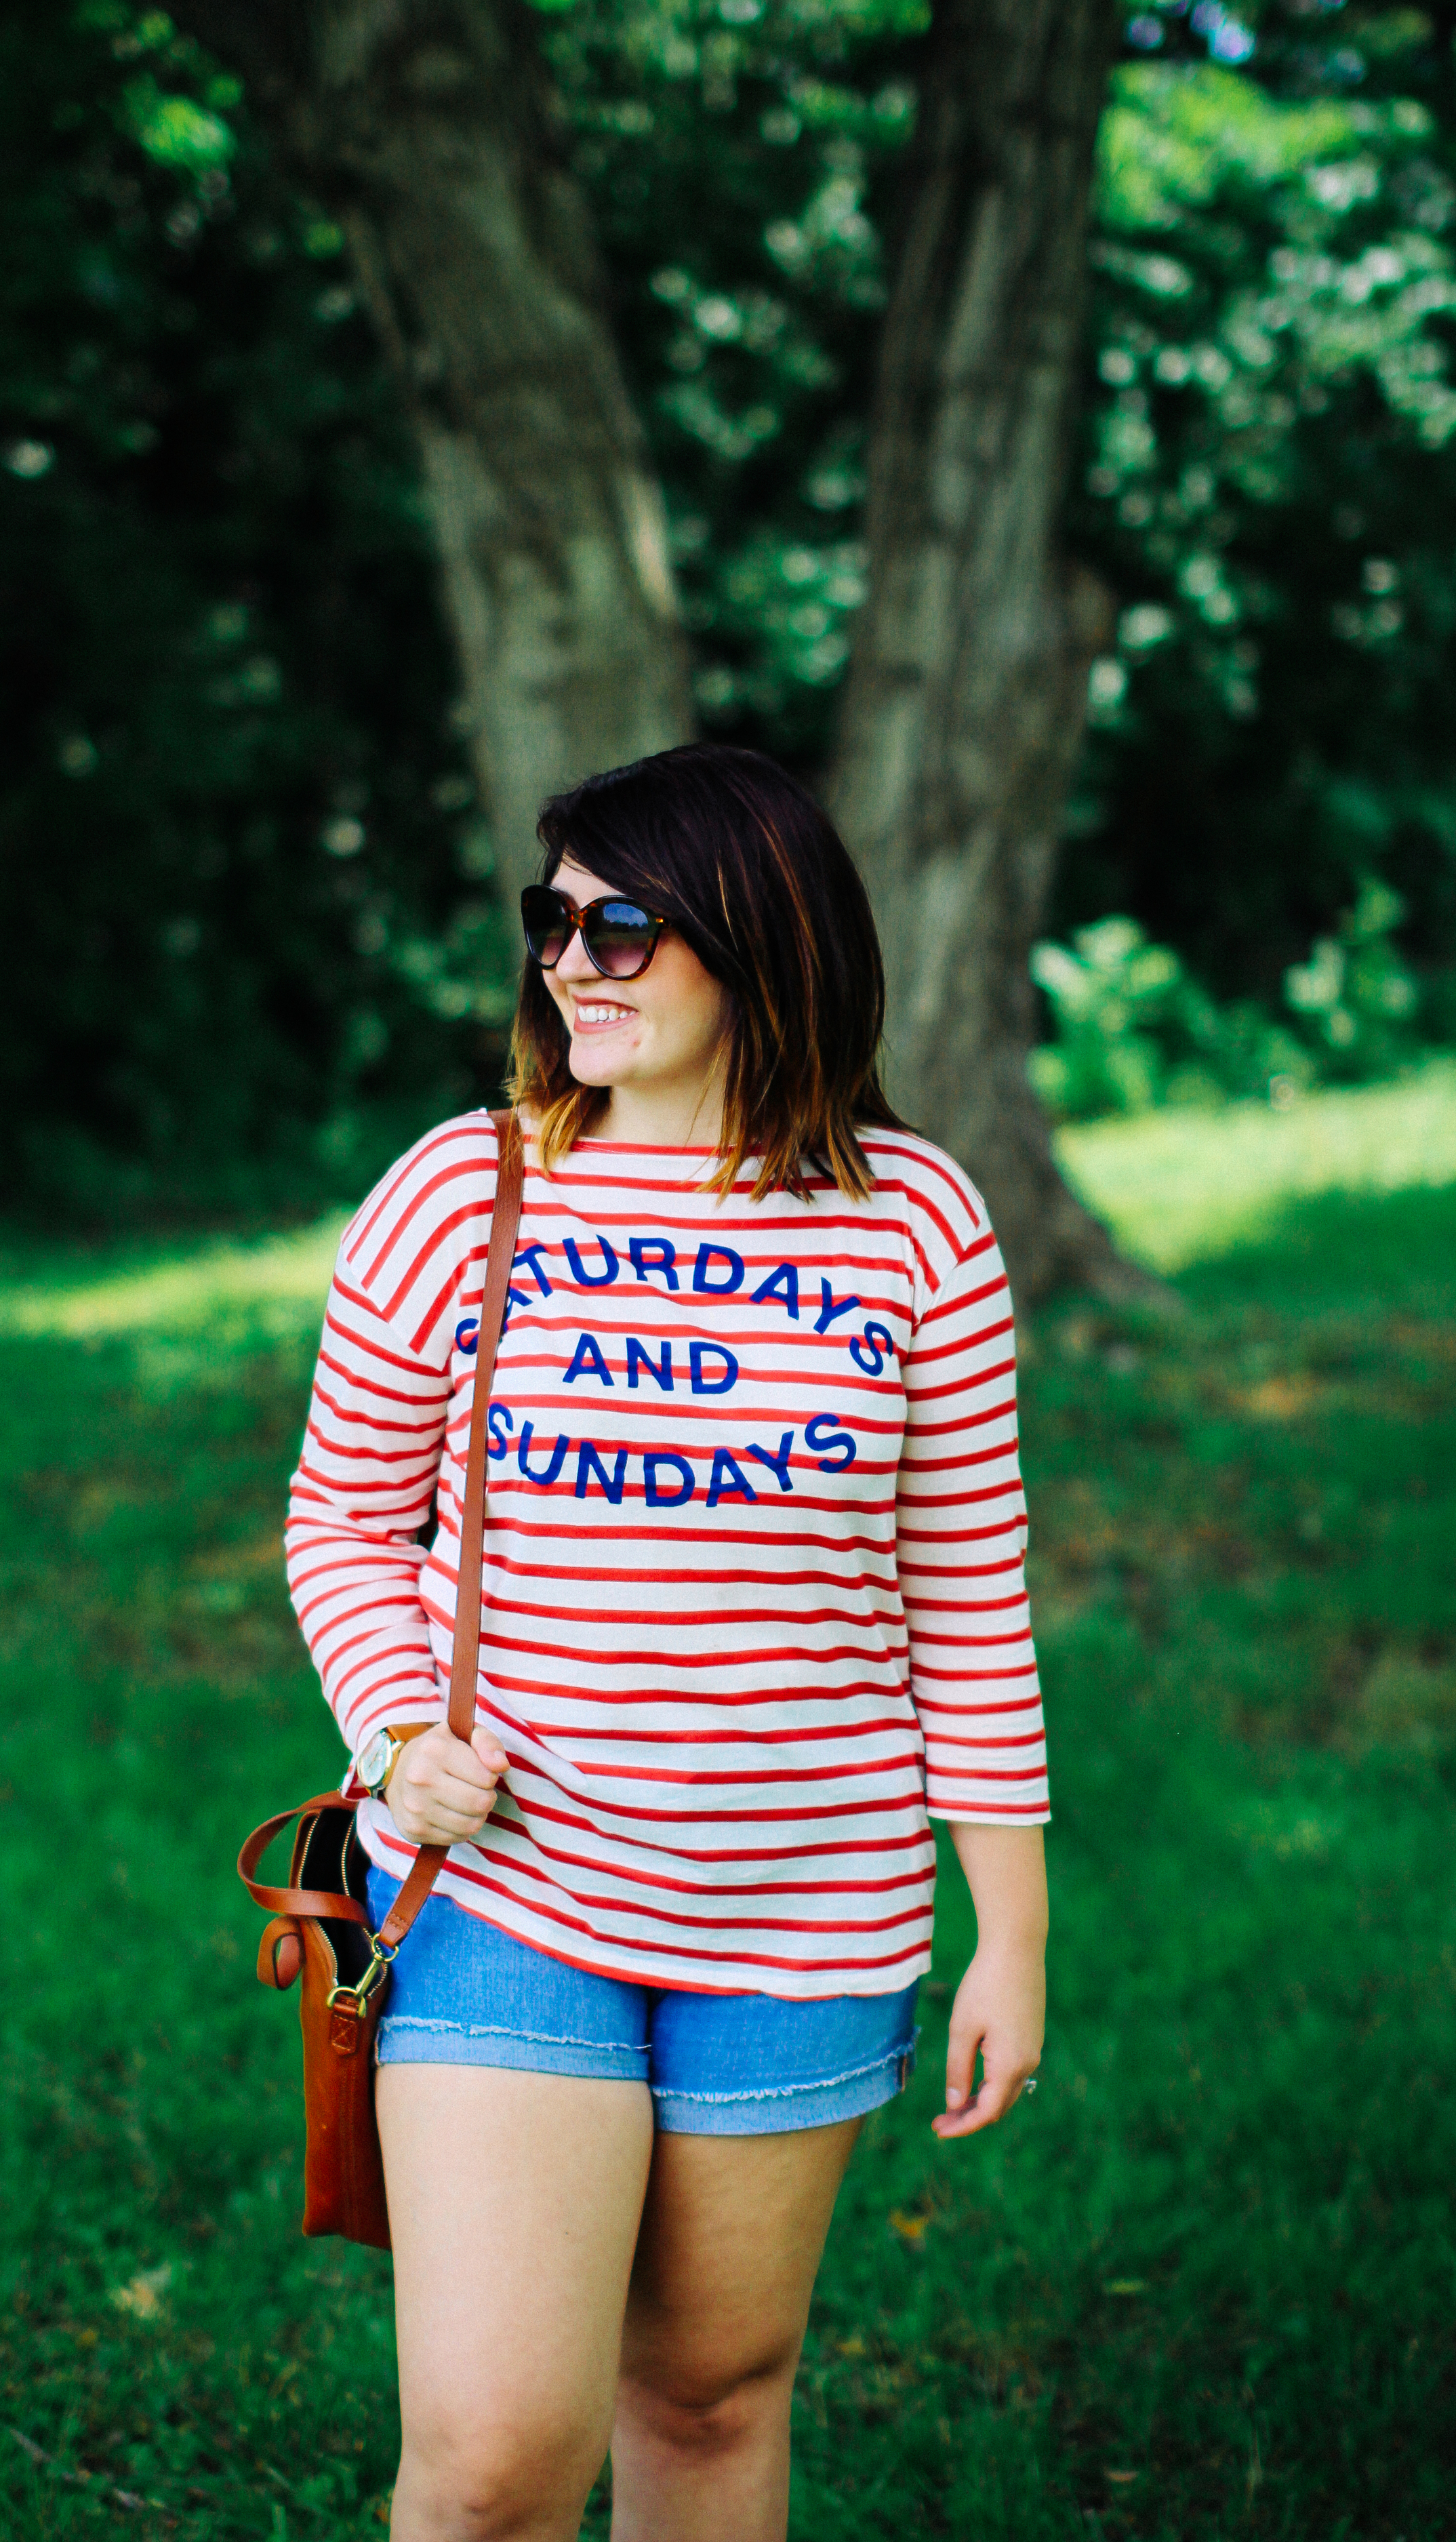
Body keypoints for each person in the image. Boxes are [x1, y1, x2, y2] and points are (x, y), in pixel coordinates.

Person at [285, 742, 1049, 2542]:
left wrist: (1005, 1930)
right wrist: (400, 1733)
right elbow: (340, 1520)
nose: (569, 962)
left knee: (706, 2404)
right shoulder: (463, 1193)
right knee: (489, 2467)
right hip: (506, 1891)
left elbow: (966, 1596)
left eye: (620, 925)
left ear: (757, 936)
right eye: (549, 921)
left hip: (805, 1910)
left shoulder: (914, 1224)